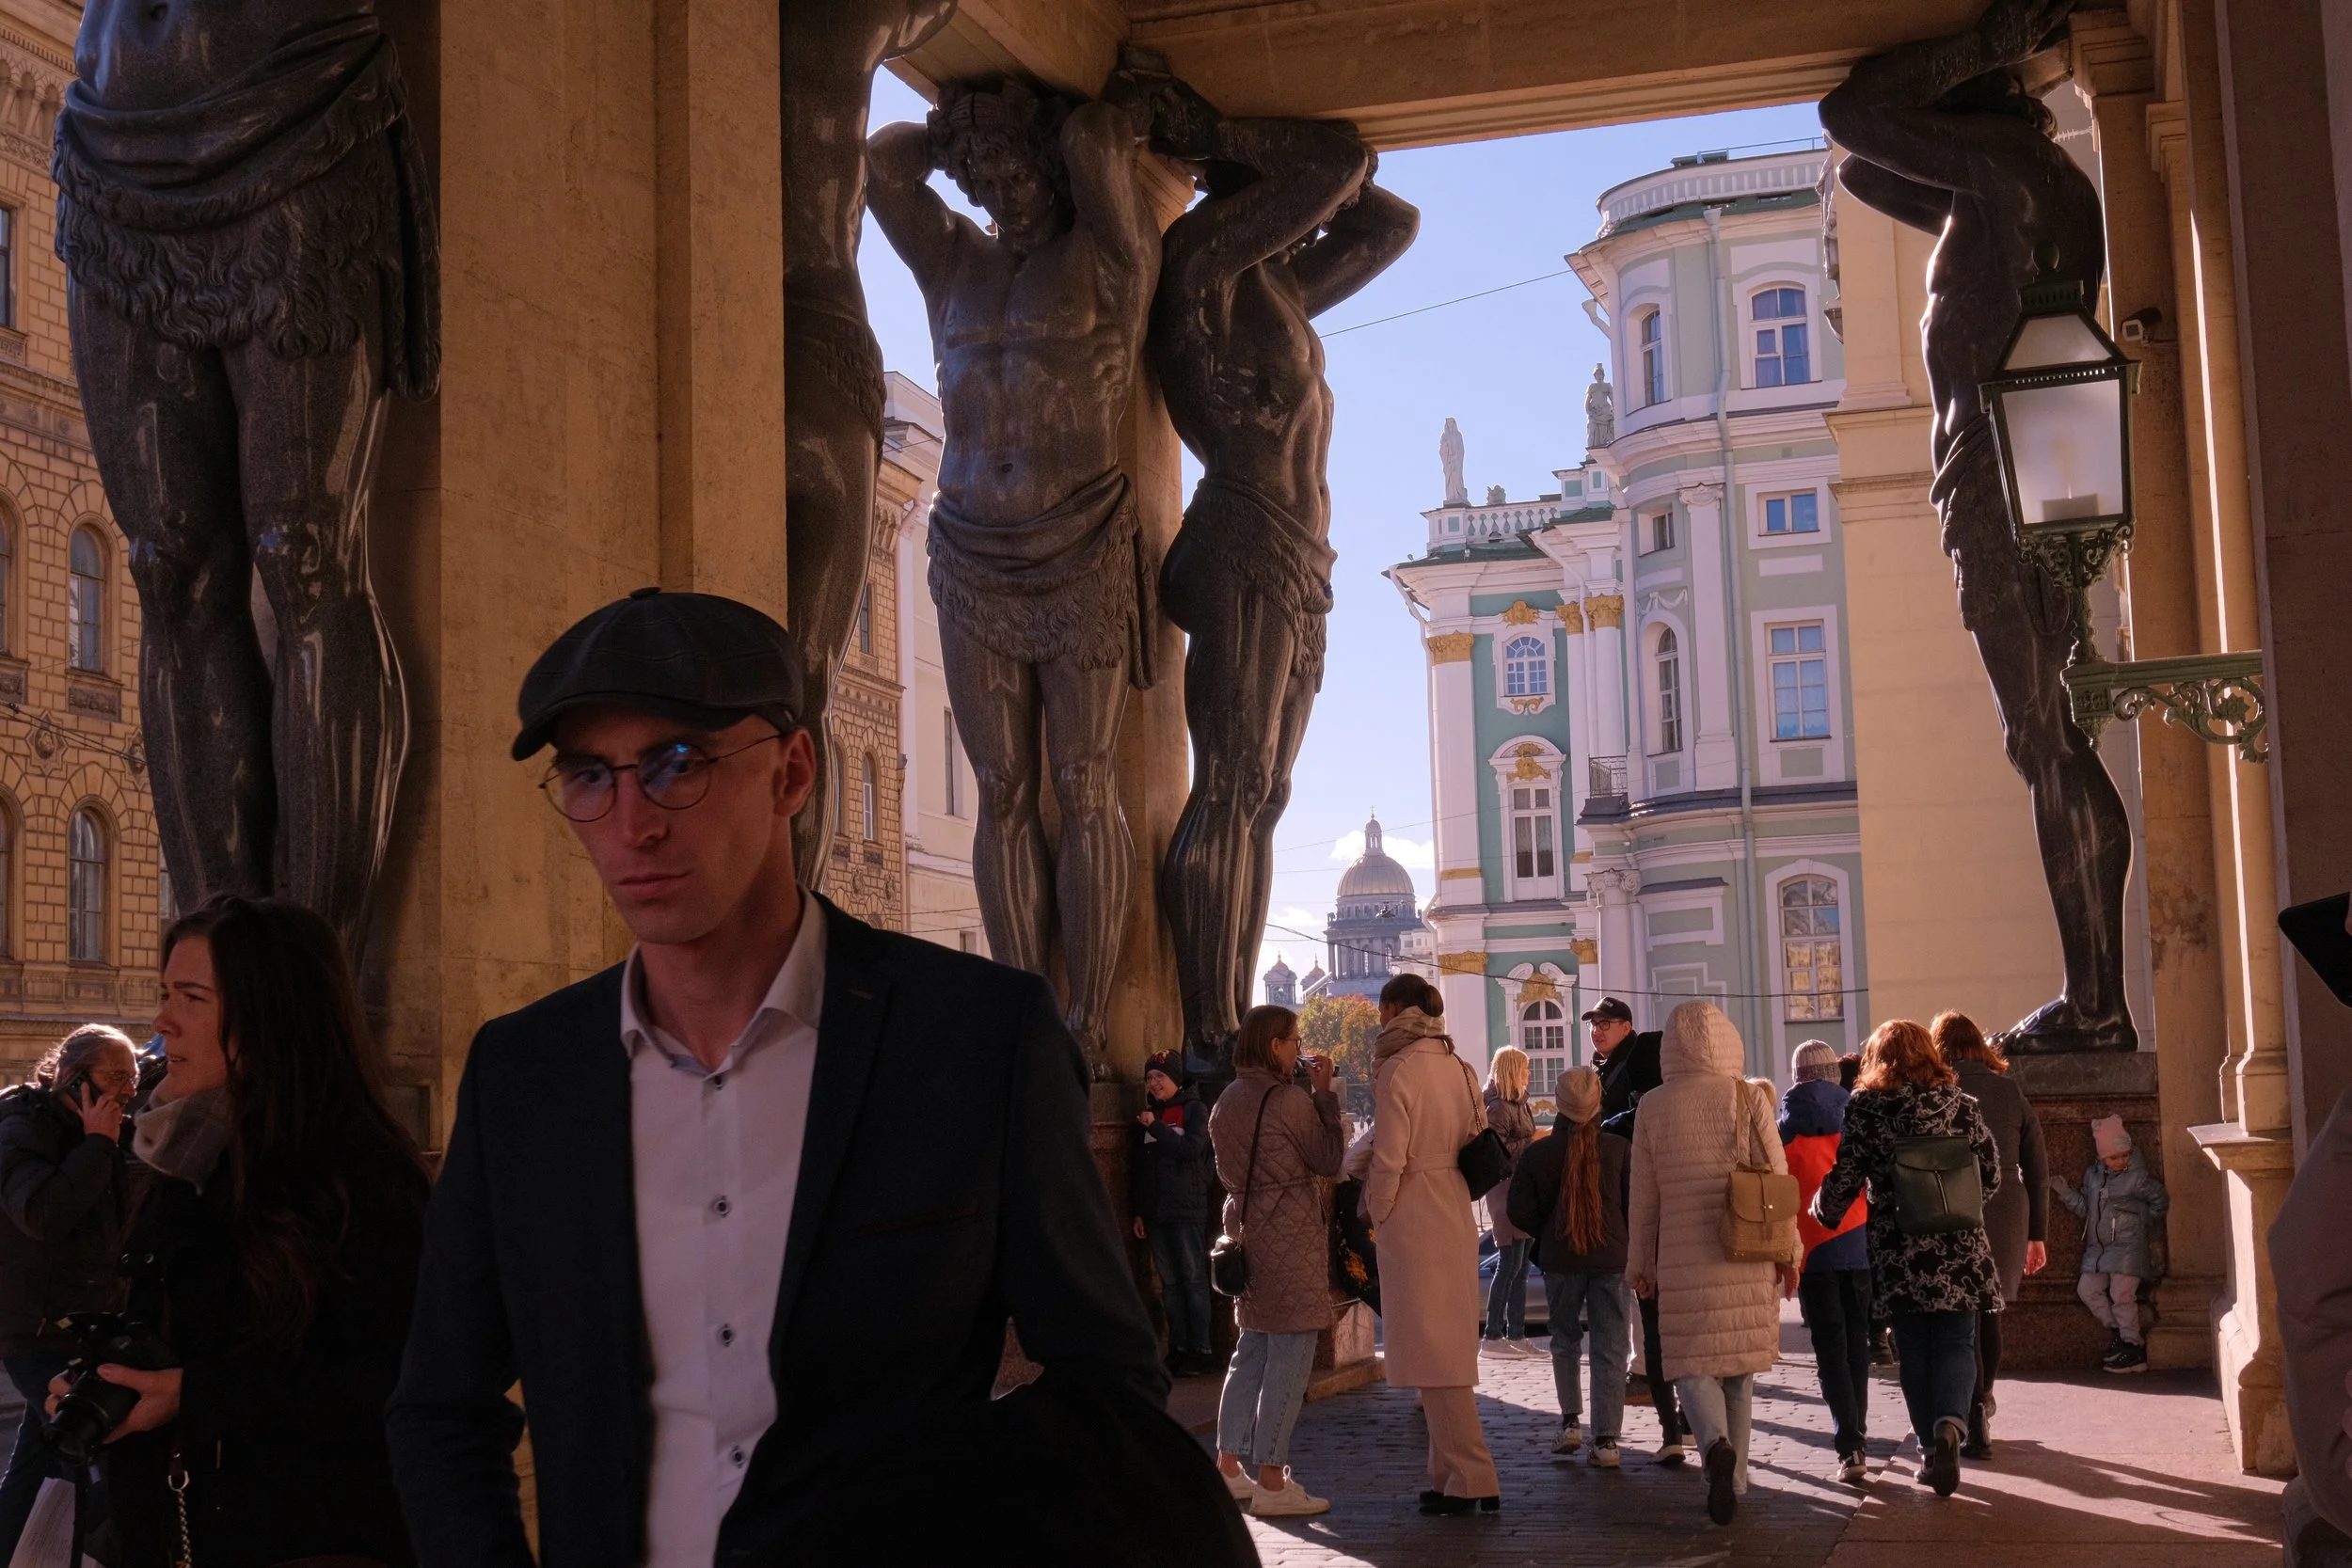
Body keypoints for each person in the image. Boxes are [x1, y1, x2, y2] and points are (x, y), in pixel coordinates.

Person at [386, 590, 1248, 1568]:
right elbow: (441, 1405)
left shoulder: (973, 1039)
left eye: (677, 764)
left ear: (791, 772)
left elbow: (1105, 1387)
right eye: (590, 775)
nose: (633, 824)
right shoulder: (526, 1074)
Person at [1110, 62, 1419, 1064]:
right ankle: (1206, 1027)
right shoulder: (1200, 262)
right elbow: (1336, 161)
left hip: (1296, 556)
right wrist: (1210, 129)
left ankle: (1222, 1012)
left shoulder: (1276, 286)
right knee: (1231, 785)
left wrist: (1308, 173)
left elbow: (1388, 222)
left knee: (1263, 797)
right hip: (1241, 538)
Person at [866, 81, 1162, 1065]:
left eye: (1016, 169)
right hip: (969, 548)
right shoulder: (952, 259)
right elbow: (882, 166)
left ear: (1050, 164)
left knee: (1084, 780)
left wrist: (1025, 121)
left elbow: (1099, 133)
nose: (1001, 190)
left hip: (1080, 540)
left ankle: (1088, 1018)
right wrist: (959, 128)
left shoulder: (1108, 259)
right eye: (981, 176)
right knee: (1001, 785)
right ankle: (1026, 1003)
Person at [54, 896, 428, 1568]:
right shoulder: (181, 1155)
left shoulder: (359, 1174)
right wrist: (109, 1381)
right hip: (171, 1533)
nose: (162, 1022)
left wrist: (196, 1396)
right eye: (166, 993)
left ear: (272, 1014)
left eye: (192, 997)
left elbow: (401, 1377)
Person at [1627, 1001, 1801, 1527]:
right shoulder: (1747, 1096)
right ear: (1727, 1041)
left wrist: (1641, 1264)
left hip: (1682, 1257)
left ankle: (1714, 1446)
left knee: (1690, 1365)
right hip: (1746, 1250)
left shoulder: (1653, 1106)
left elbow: (1644, 1197)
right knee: (1739, 1373)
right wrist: (1790, 1253)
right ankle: (1737, 1479)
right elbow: (1778, 1180)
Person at [1815, 1019, 2003, 1498]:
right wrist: (1957, 1204)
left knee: (1914, 1348)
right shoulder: (1961, 1105)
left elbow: (1847, 1174)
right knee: (1958, 1343)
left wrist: (1823, 1209)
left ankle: (1930, 1450)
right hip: (1961, 1245)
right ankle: (1950, 1425)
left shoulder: (1867, 1108)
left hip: (1901, 1249)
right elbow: (1991, 1174)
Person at [0, 1025, 138, 1560]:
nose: (127, 1091)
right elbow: (44, 1214)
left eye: (133, 1078)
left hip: (85, 1325)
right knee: (87, 1453)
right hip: (34, 1330)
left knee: (36, 1464)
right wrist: (99, 1144)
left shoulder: (108, 1127)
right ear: (71, 1077)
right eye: (116, 1077)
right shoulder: (21, 1128)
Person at [1365, 974, 1499, 1515]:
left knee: (1436, 1351)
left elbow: (1389, 1156)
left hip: (1414, 1207)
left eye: (1382, 1010)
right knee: (1444, 1342)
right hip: (1454, 1202)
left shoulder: (1397, 1068)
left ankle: (1472, 1474)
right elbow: (1475, 1134)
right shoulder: (1460, 1066)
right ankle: (1446, 1474)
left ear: (1394, 1009)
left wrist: (1378, 1210)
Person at [1207, 1005, 1345, 1518]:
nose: (1298, 1050)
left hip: (1245, 1231)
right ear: (1274, 1046)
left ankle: (1227, 1467)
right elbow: (1329, 1159)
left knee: (1251, 1351)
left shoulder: (1225, 1101)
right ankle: (1270, 1478)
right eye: (1294, 1042)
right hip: (1289, 1234)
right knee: (1291, 1353)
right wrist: (1325, 1095)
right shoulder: (1289, 1100)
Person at [1931, 1010, 2047, 1453]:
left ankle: (1971, 1405)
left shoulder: (1937, 1093)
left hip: (1952, 1207)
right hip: (2006, 1210)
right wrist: (2037, 1233)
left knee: (1962, 1316)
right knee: (1989, 1309)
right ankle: (1982, 1400)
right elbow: (2037, 1167)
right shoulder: (2008, 1090)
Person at [1506, 1066, 1631, 1468]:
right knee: (1610, 1347)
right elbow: (1635, 1205)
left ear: (1559, 1105)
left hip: (1560, 1259)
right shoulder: (1618, 1149)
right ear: (1598, 1102)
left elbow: (1518, 1210)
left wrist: (1549, 1236)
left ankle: (1570, 1422)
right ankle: (1607, 1440)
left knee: (1564, 1341)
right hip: (1611, 1260)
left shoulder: (1538, 1154)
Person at [1585, 995, 1681, 1462]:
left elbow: (1647, 1107)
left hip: (1642, 1182)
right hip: (1625, 1180)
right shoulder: (1606, 1067)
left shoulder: (1641, 1056)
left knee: (1647, 1289)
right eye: (1593, 1024)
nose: (1597, 1031)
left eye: (1606, 1023)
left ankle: (1654, 1380)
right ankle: (1659, 1388)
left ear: (1626, 1026)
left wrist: (1603, 1127)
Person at [1779, 1038, 1873, 1484]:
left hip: (1811, 1250)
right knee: (1858, 1345)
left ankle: (1849, 1445)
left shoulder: (1782, 1128)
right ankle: (1859, 1434)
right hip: (1858, 1242)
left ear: (1797, 1076)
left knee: (1830, 1351)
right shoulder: (1859, 1117)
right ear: (1834, 1076)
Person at [2052, 1116, 2169, 1375]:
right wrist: (2066, 1194)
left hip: (2127, 1248)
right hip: (2100, 1248)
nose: (2121, 1161)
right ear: (2102, 1157)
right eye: (2114, 1157)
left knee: (2122, 1296)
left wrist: (2141, 1222)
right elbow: (2086, 1209)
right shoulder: (2093, 1178)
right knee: (2087, 1290)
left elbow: (2160, 1199)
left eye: (2125, 1155)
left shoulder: (2136, 1178)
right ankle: (2121, 1332)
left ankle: (2133, 1346)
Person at [1133, 1052, 1216, 1377]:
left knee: (1193, 1279)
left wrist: (1157, 1128)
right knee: (1170, 1284)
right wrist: (1139, 1212)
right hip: (1157, 1213)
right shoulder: (1148, 1114)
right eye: (1149, 1078)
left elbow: (1191, 1150)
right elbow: (1139, 1169)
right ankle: (1178, 1348)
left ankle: (1202, 1349)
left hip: (1186, 1209)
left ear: (1176, 1079)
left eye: (1160, 1077)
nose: (1154, 1083)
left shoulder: (1194, 1109)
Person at [1480, 1045, 1538, 1358]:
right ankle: (1492, 1336)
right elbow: (1496, 1151)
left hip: (1522, 1189)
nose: (1528, 1073)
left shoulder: (1519, 1102)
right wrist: (1533, 1142)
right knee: (1508, 1264)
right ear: (1512, 1070)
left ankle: (1516, 1334)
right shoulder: (1499, 1107)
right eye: (1524, 1068)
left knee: (1522, 1267)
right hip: (1505, 1191)